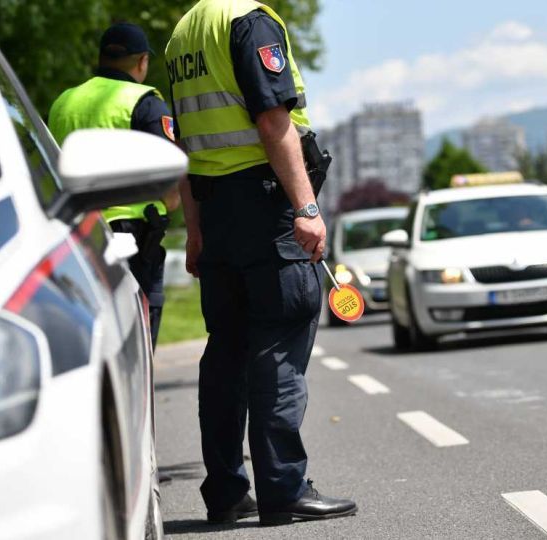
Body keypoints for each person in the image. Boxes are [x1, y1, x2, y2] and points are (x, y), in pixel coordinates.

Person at [166, 0, 357, 526]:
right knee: (278, 340)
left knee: (226, 352)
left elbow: (185, 145)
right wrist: (307, 207)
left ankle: (226, 491)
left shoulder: (181, 35)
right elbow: (273, 120)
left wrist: (196, 229)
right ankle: (283, 488)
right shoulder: (248, 20)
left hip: (218, 214)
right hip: (266, 207)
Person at [48, 22, 179, 347]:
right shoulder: (145, 102)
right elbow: (170, 183)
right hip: (132, 245)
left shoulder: (63, 102)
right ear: (141, 62)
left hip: (73, 239)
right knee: (134, 345)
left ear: (102, 59)